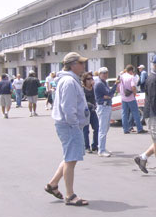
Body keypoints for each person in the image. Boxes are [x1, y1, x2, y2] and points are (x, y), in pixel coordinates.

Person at [46, 52, 90, 206]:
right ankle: (70, 195)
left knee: (69, 157)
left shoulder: (68, 80)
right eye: (81, 63)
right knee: (71, 160)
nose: (84, 66)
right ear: (73, 65)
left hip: (67, 124)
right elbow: (68, 108)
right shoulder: (69, 81)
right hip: (69, 125)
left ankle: (53, 184)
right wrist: (75, 125)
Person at [94, 67, 119, 157]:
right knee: (103, 130)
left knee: (105, 128)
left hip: (106, 106)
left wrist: (108, 96)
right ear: (99, 74)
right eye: (103, 73)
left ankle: (102, 147)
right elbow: (109, 94)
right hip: (103, 107)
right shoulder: (100, 83)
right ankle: (101, 150)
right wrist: (115, 85)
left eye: (106, 73)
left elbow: (109, 95)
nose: (105, 74)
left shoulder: (104, 83)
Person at [120, 65, 146, 134]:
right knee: (135, 113)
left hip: (123, 97)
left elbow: (118, 86)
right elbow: (133, 87)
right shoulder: (131, 77)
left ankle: (125, 129)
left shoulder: (122, 76)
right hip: (131, 97)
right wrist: (134, 94)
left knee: (124, 113)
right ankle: (139, 128)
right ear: (131, 70)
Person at [82, 72, 99, 153]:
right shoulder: (82, 89)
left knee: (96, 128)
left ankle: (95, 145)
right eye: (88, 79)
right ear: (85, 80)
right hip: (85, 111)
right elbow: (82, 100)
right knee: (85, 130)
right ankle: (86, 146)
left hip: (92, 111)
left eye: (91, 78)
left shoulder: (94, 88)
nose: (90, 80)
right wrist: (89, 104)